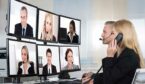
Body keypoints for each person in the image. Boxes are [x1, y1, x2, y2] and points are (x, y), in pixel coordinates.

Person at [83, 20, 145, 84]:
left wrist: (109, 56)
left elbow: (108, 81)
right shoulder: (121, 53)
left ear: (120, 37)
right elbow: (113, 75)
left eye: (112, 33)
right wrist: (94, 78)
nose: (111, 36)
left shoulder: (129, 56)